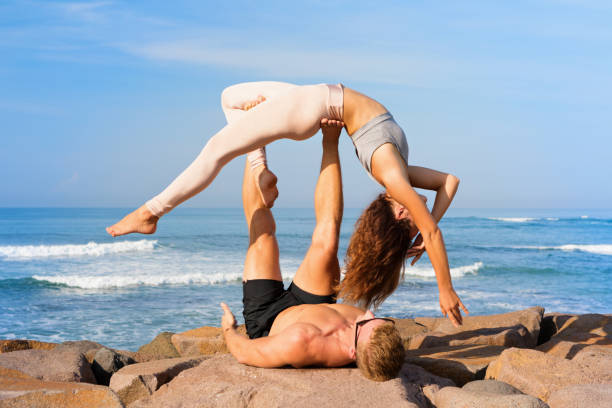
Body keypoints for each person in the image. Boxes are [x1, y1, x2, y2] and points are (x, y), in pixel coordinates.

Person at [106, 81, 467, 326]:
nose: (419, 210)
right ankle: (261, 171)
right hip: (321, 99)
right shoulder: (400, 174)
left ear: (400, 210)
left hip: (316, 106)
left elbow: (436, 216)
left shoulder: (395, 180)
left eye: (411, 219)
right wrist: (431, 248)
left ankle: (151, 212)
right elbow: (449, 183)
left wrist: (429, 244)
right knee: (232, 99)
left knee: (217, 149)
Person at [220, 122, 404, 381]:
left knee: (263, 234)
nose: (368, 314)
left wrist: (229, 330)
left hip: (268, 319)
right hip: (315, 305)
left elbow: (244, 353)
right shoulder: (370, 331)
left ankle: (253, 141)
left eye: (364, 323)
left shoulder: (300, 343)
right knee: (328, 239)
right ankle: (330, 140)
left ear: (352, 352)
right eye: (378, 319)